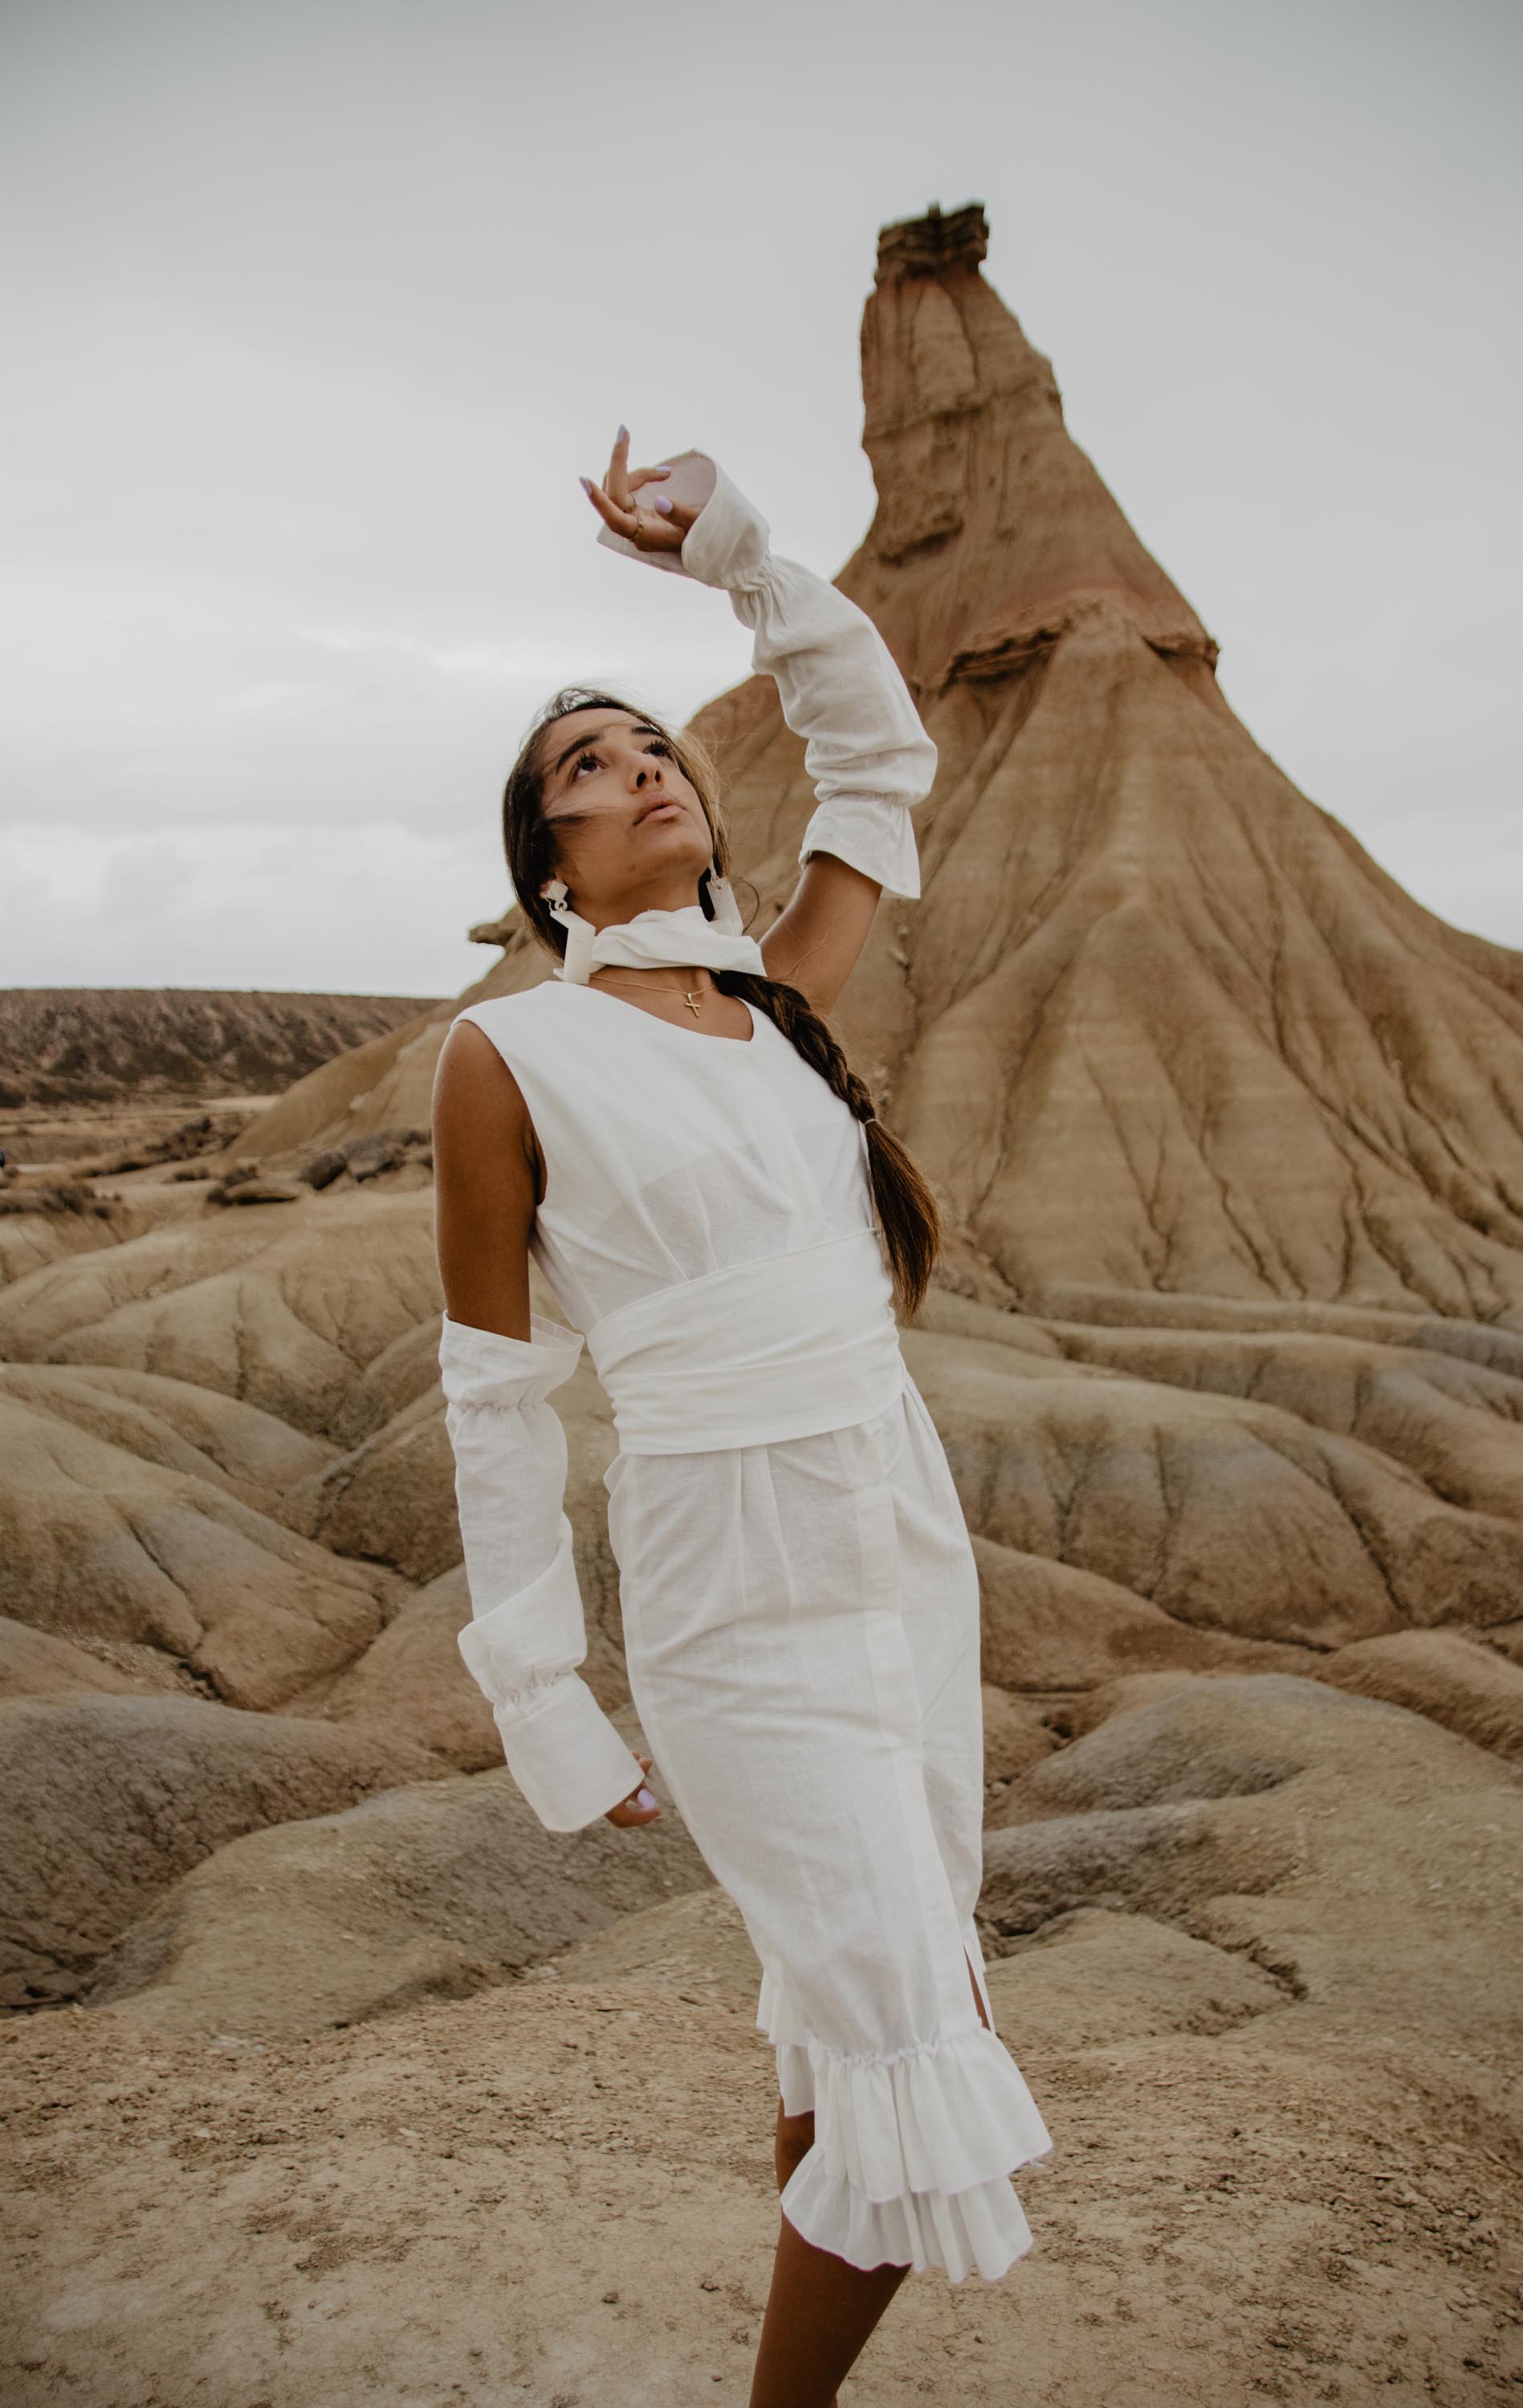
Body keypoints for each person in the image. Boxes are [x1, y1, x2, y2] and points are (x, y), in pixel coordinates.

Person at [430, 429, 1053, 2408]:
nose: (642, 772)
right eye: (586, 770)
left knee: (858, 2001)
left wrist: (738, 555)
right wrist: (542, 1688)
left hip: (894, 1529)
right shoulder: (506, 1051)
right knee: (900, 2016)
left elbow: (876, 760)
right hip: (727, 1581)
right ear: (547, 866)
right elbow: (497, 1397)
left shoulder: (784, 994)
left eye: (649, 744)